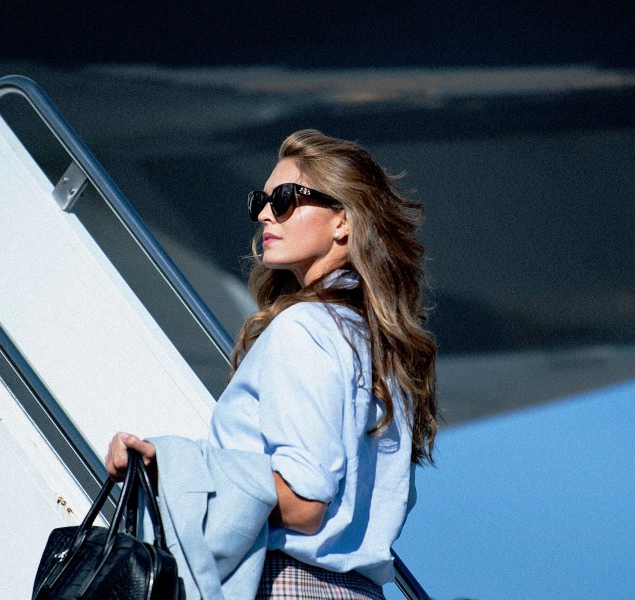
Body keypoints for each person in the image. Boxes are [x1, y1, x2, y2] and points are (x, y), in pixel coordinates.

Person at [106, 129, 438, 599]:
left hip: (286, 584)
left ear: (342, 221)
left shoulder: (305, 329)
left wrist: (173, 468)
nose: (264, 212)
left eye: (284, 199)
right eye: (260, 200)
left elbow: (304, 501)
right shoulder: (381, 349)